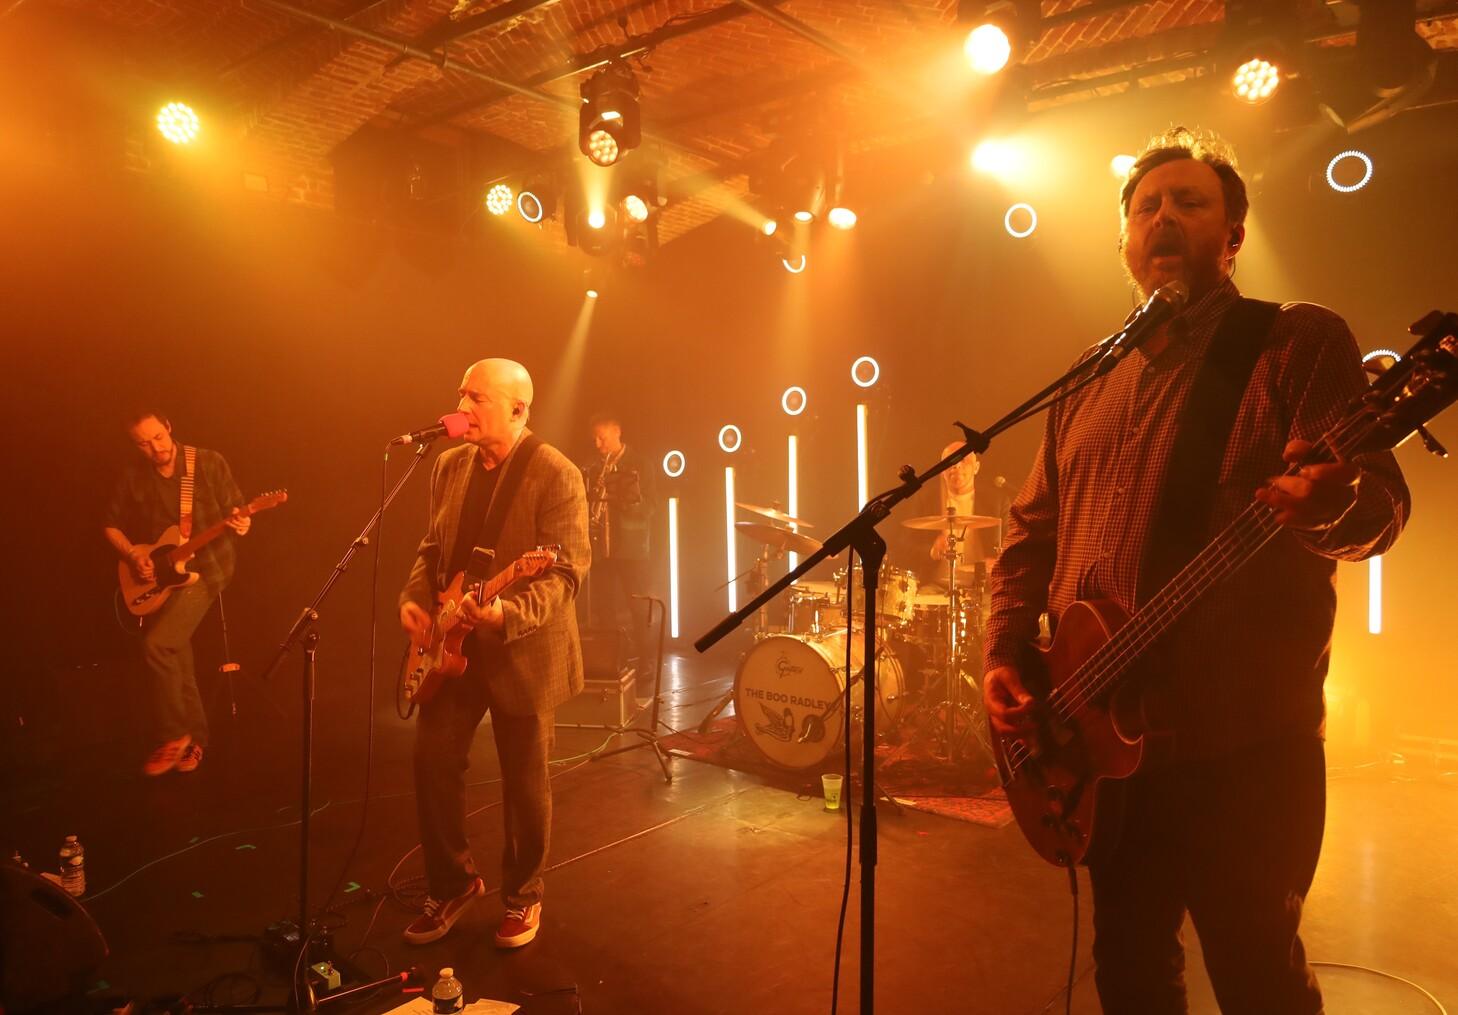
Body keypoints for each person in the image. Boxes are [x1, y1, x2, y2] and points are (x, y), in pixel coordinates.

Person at [982, 128, 1410, 1014]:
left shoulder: (1293, 343)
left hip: (1241, 746)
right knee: (1133, 970)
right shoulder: (1085, 379)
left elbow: (1381, 508)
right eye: (1146, 207)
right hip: (1099, 739)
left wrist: (1327, 505)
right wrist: (1002, 649)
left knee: (1257, 973)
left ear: (1235, 234)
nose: (1164, 218)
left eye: (1189, 202)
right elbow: (1029, 534)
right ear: (1125, 243)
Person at [398, 359, 589, 949]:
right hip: (451, 645)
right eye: (462, 395)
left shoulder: (556, 473)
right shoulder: (449, 465)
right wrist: (414, 600)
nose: (461, 408)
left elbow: (564, 576)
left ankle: (523, 896)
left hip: (520, 650)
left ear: (517, 408)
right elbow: (432, 548)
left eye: (476, 398)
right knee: (432, 761)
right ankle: (453, 883)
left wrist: (507, 614)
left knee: (525, 783)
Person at [103, 409, 250, 776]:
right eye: (143, 443)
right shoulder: (134, 476)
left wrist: (243, 519)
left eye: (158, 437)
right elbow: (110, 525)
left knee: (157, 645)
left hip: (210, 569)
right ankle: (196, 739)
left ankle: (173, 736)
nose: (155, 448)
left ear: (169, 427)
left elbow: (237, 507)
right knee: (176, 652)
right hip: (166, 574)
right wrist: (134, 553)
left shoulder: (207, 462)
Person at [582, 413, 654, 663]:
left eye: (601, 438)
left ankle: (645, 660)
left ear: (617, 431)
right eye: (594, 440)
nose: (598, 445)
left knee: (637, 606)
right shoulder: (593, 467)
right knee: (604, 608)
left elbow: (650, 507)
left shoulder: (640, 464)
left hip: (631, 549)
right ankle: (612, 659)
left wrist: (624, 500)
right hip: (603, 548)